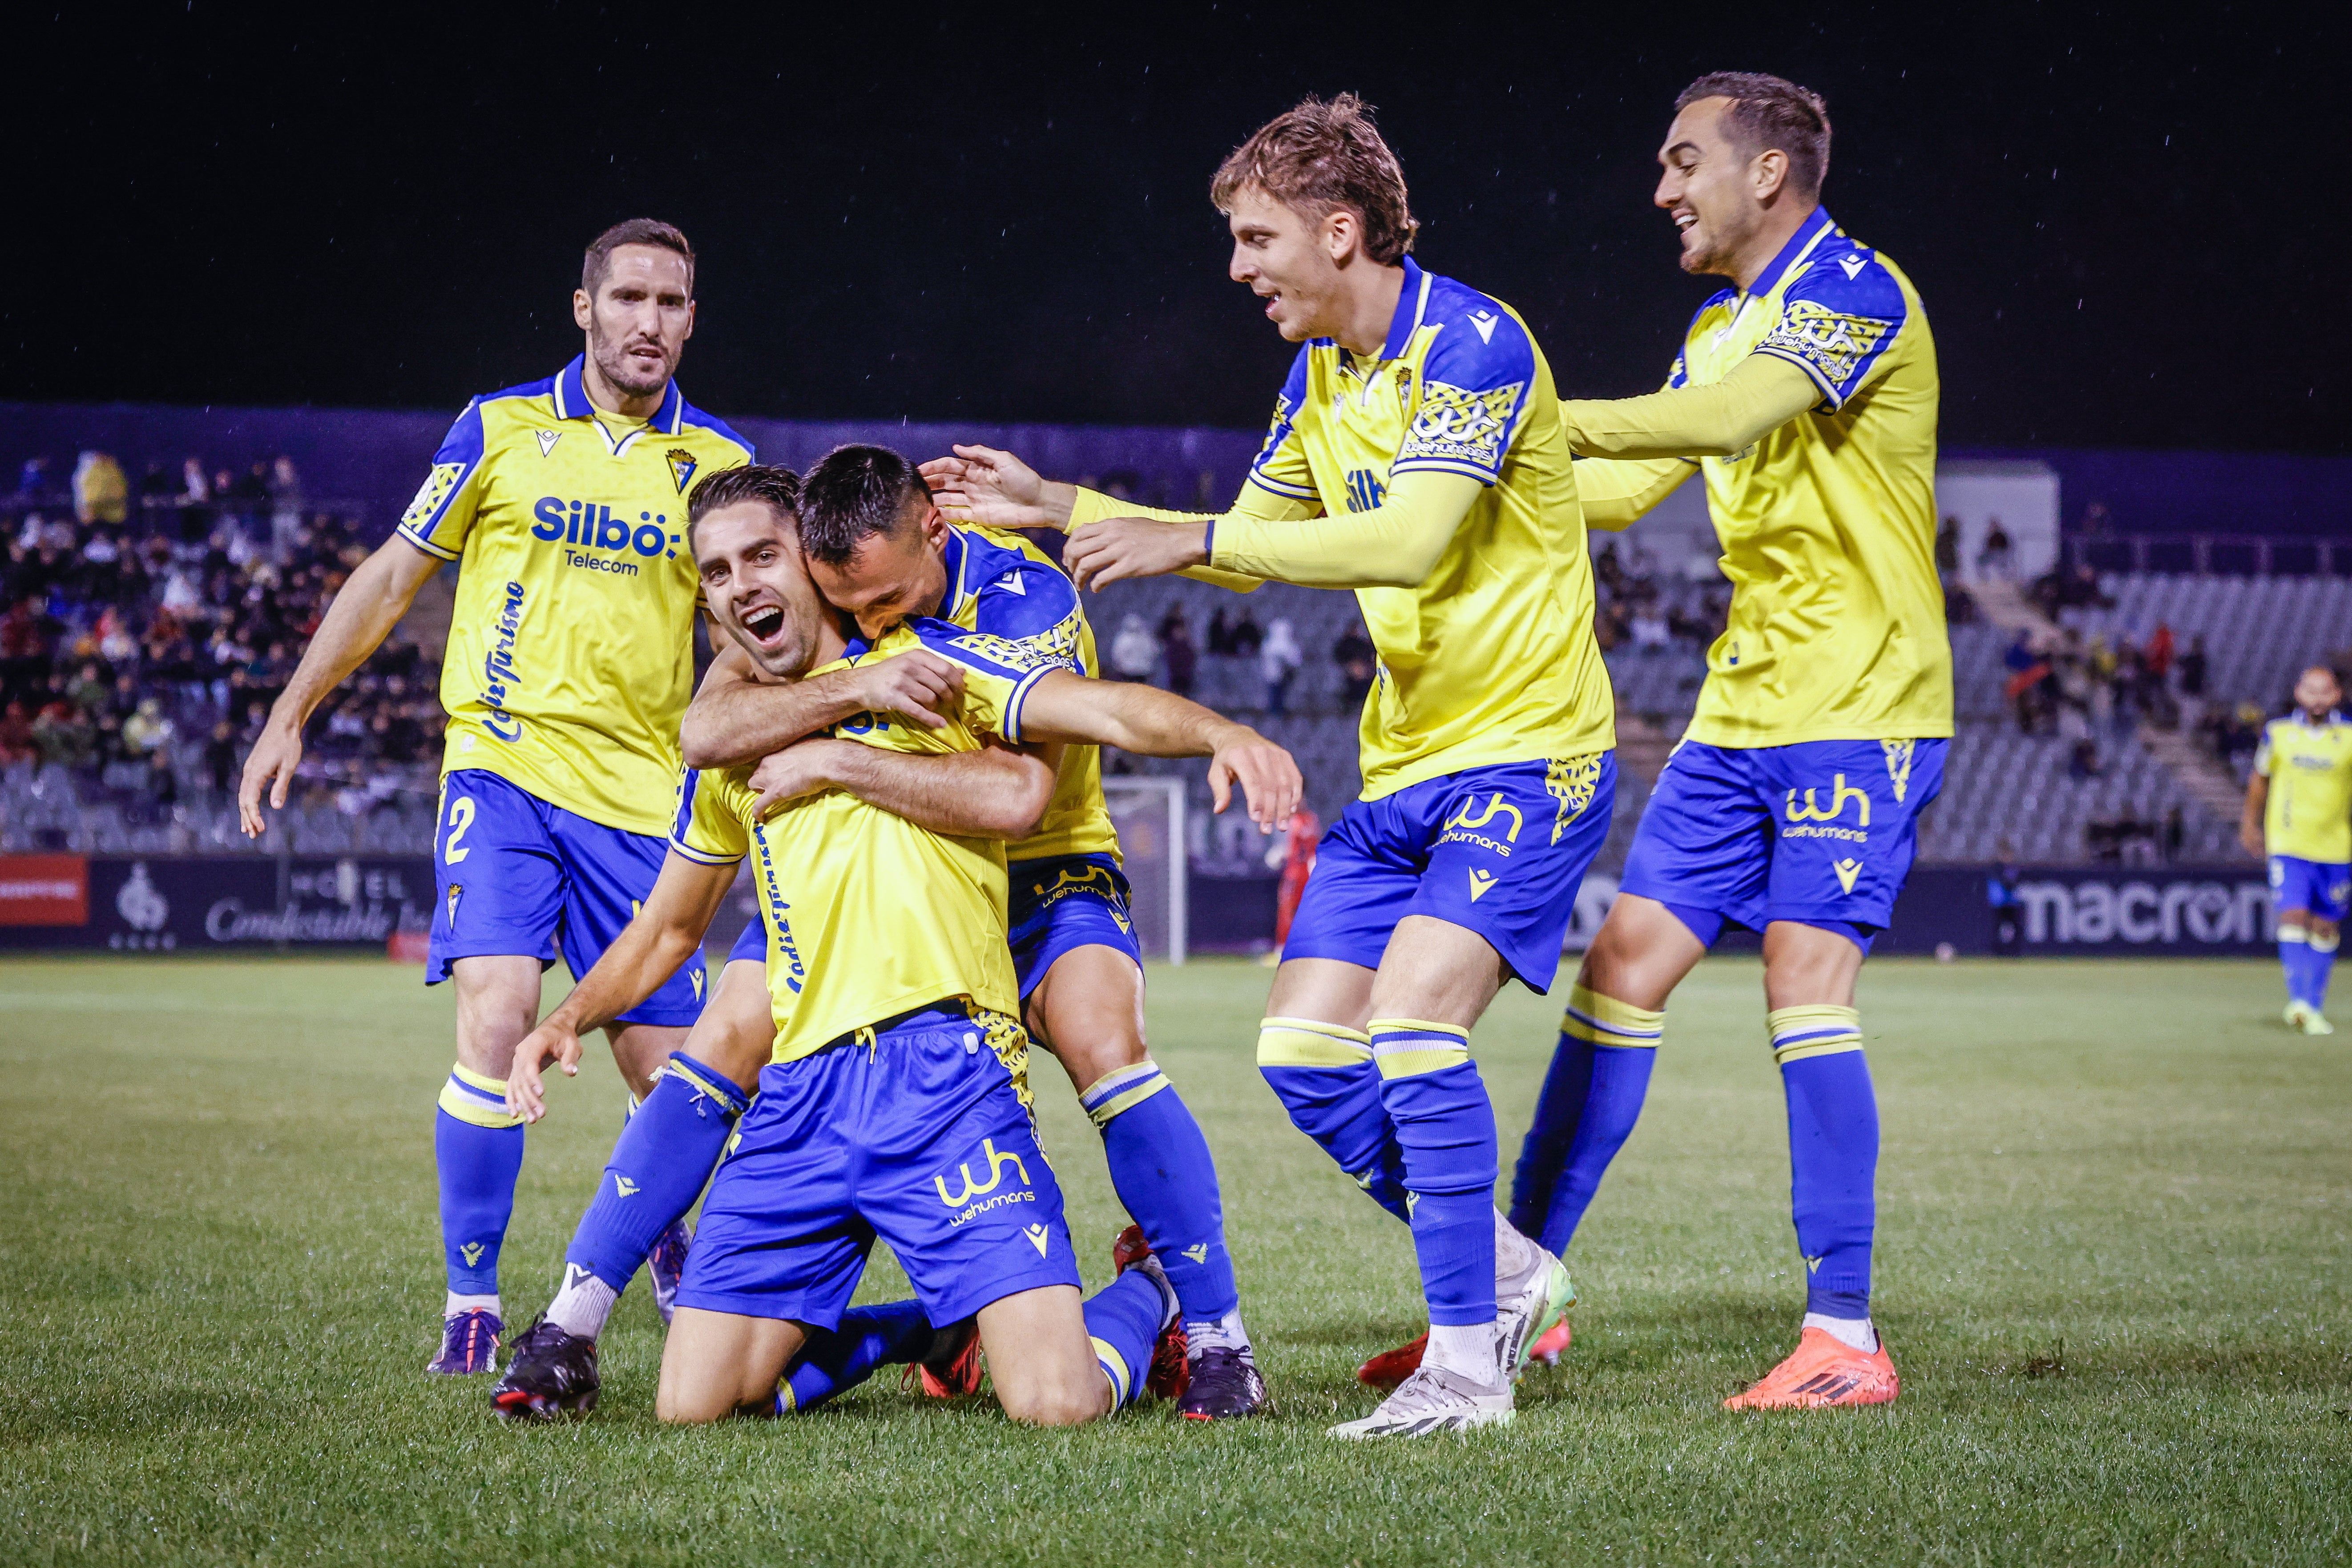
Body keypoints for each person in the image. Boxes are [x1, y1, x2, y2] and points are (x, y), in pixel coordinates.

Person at [929, 92, 1615, 1438]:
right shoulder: (1317, 377)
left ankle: (1468, 1368)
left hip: (1528, 755)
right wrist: (1060, 504)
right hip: (1405, 765)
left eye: (1256, 239)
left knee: (1412, 1024)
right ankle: (1511, 1273)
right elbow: (1246, 532)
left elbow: (1407, 542)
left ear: (1340, 229)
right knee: (1305, 1054)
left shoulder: (1470, 342)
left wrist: (1178, 538)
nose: (1238, 266)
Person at [493, 467, 1299, 1425]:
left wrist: (1225, 734)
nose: (871, 622)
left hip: (1032, 870)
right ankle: (575, 1321)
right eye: (722, 570)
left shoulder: (970, 637)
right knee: (725, 1037)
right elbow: (693, 791)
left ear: (921, 535)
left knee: (1099, 1038)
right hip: (825, 1040)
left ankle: (1202, 1321)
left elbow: (1041, 774)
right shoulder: (761, 701)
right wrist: (571, 1015)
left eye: (764, 557)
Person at [1446, 73, 1946, 1411]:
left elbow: (1723, 423)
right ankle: (1516, 1297)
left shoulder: (1853, 290)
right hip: (1740, 715)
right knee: (1617, 961)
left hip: (1862, 705)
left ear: (1768, 172)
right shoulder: (1716, 323)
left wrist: (1529, 415)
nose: (1662, 189)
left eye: (1683, 162)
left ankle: (1842, 1334)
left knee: (1803, 977)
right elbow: (1622, 486)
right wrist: (1469, 471)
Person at [236, 219, 758, 1377]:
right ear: (582, 308)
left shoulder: (719, 461)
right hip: (504, 768)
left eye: (672, 303)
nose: (649, 322)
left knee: (673, 1074)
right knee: (494, 1008)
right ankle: (472, 1300)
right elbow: (391, 575)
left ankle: (664, 1244)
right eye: (627, 298)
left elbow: (746, 632)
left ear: (690, 319)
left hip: (642, 798)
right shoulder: (499, 426)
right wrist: (291, 710)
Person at [2241, 665, 2352, 1035]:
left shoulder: (2349, 737)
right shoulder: (2279, 734)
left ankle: (2312, 1004)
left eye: (2325, 691)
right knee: (2291, 916)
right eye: (2310, 690)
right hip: (2289, 842)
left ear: (2336, 695)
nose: (2317, 697)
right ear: (2298, 693)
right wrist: (2249, 823)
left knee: (2325, 926)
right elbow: (2260, 780)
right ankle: (2300, 1002)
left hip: (2336, 846)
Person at [1260, 616, 1303, 715]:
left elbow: (1295, 661)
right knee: (1275, 695)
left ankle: (1279, 711)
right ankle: (1276, 712)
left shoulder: (1288, 645)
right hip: (1274, 676)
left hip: (1284, 676)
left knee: (1281, 695)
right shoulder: (1269, 645)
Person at [1109, 613, 1158, 682]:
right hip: (1137, 671)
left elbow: (1117, 655)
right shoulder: (1146, 638)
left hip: (1133, 671)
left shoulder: (1122, 639)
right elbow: (1154, 652)